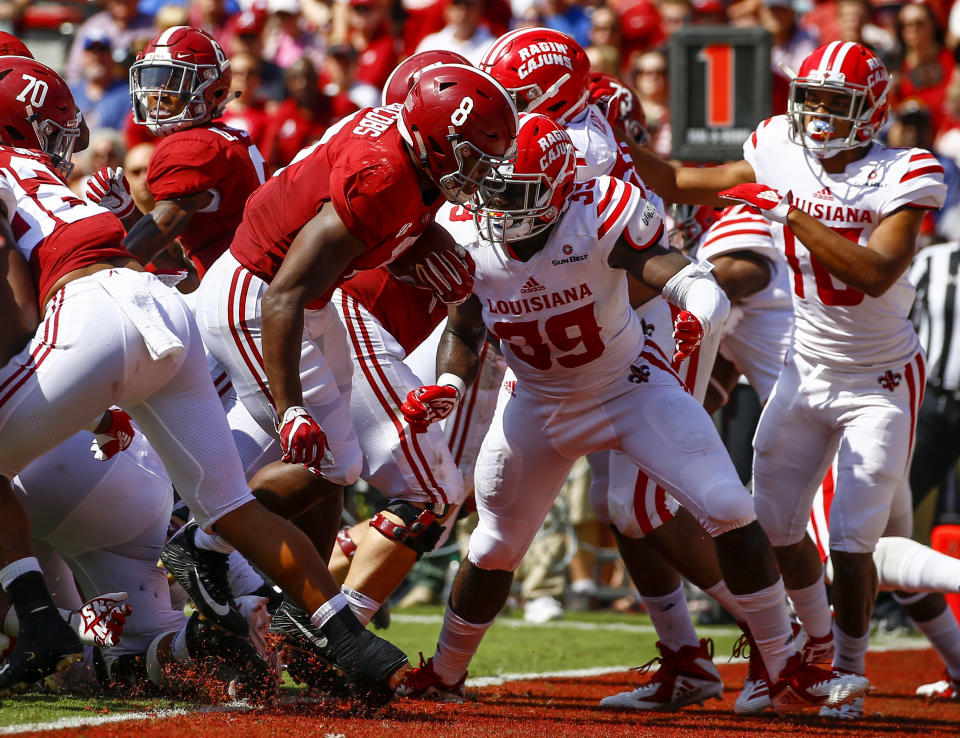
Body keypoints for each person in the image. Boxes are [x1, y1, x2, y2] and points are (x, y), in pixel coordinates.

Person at [396, 112, 869, 713]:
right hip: (538, 401)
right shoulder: (463, 228)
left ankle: (782, 667)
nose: (502, 205)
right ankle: (444, 672)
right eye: (495, 188)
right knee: (493, 546)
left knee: (727, 505)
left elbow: (677, 274)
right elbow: (464, 327)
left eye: (518, 192)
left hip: (629, 386)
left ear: (560, 186)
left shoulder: (597, 209)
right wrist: (447, 383)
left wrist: (701, 310)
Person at [0, 56, 407, 695]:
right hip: (161, 308)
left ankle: (37, 623)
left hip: (91, 315)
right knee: (229, 507)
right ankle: (346, 638)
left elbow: (17, 307)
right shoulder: (53, 177)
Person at [626, 40, 947, 711]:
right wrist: (609, 146)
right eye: (813, 97)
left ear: (872, 109)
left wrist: (789, 212)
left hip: (879, 378)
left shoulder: (906, 170)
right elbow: (683, 183)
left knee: (856, 541)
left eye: (838, 101)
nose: (821, 113)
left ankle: (850, 678)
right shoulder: (779, 146)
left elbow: (876, 271)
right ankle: (817, 652)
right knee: (773, 526)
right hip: (806, 367)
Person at [192, 63, 517, 659]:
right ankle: (202, 542)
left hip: (308, 304)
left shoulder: (410, 158)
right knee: (332, 460)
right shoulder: (383, 176)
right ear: (431, 136)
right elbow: (282, 291)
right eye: (467, 154)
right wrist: (290, 407)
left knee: (318, 468)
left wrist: (419, 240)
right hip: (260, 298)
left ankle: (287, 597)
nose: (477, 172)